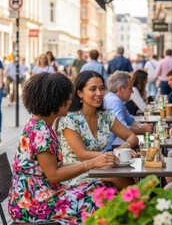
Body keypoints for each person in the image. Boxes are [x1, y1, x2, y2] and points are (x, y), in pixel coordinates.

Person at [8, 72, 118, 224]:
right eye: (65, 97)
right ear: (54, 101)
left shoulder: (37, 124)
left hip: (33, 198)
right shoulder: (41, 131)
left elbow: (54, 167)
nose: (70, 100)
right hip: (35, 205)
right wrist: (91, 164)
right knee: (103, 194)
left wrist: (96, 162)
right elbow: (54, 175)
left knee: (104, 187)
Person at [58, 71, 138, 189]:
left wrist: (124, 147)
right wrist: (113, 154)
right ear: (80, 93)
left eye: (101, 88)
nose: (99, 93)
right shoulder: (70, 119)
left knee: (129, 179)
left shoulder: (105, 117)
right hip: (76, 174)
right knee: (126, 182)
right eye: (93, 89)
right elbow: (82, 155)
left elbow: (132, 137)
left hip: (101, 169)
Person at [103, 71, 153, 150]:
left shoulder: (117, 100)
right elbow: (124, 128)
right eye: (130, 88)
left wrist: (143, 126)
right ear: (120, 89)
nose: (132, 91)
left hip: (116, 146)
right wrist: (143, 129)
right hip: (110, 150)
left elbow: (130, 121)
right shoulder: (114, 102)